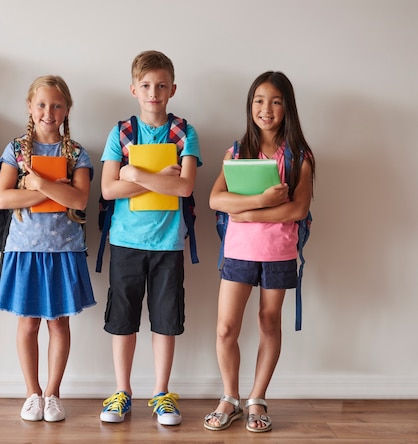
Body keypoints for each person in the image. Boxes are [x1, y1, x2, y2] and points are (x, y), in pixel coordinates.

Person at [205, 71, 315, 433]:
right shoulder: (236, 152)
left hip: (279, 253)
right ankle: (230, 397)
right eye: (259, 101)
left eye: (276, 101)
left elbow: (298, 210)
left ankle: (257, 398)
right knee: (225, 329)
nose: (266, 109)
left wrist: (247, 212)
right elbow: (215, 199)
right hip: (238, 252)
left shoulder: (300, 155)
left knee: (269, 322)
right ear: (250, 105)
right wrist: (261, 201)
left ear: (287, 108)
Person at [99, 50, 202, 426]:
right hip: (125, 241)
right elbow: (109, 189)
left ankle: (162, 394)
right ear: (133, 89)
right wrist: (160, 177)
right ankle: (121, 392)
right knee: (122, 320)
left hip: (168, 243)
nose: (153, 92)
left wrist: (135, 174)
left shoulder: (185, 132)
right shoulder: (121, 132)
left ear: (172, 89)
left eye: (160, 85)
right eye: (145, 85)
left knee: (165, 320)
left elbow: (186, 186)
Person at [0, 75, 95, 423]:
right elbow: (4, 197)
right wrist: (46, 186)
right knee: (28, 325)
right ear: (29, 107)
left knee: (59, 325)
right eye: (41, 104)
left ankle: (53, 393)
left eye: (56, 105)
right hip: (24, 250)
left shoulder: (76, 153)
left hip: (65, 249)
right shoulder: (17, 150)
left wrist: (37, 184)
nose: (48, 112)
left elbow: (79, 199)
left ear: (66, 110)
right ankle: (32, 393)